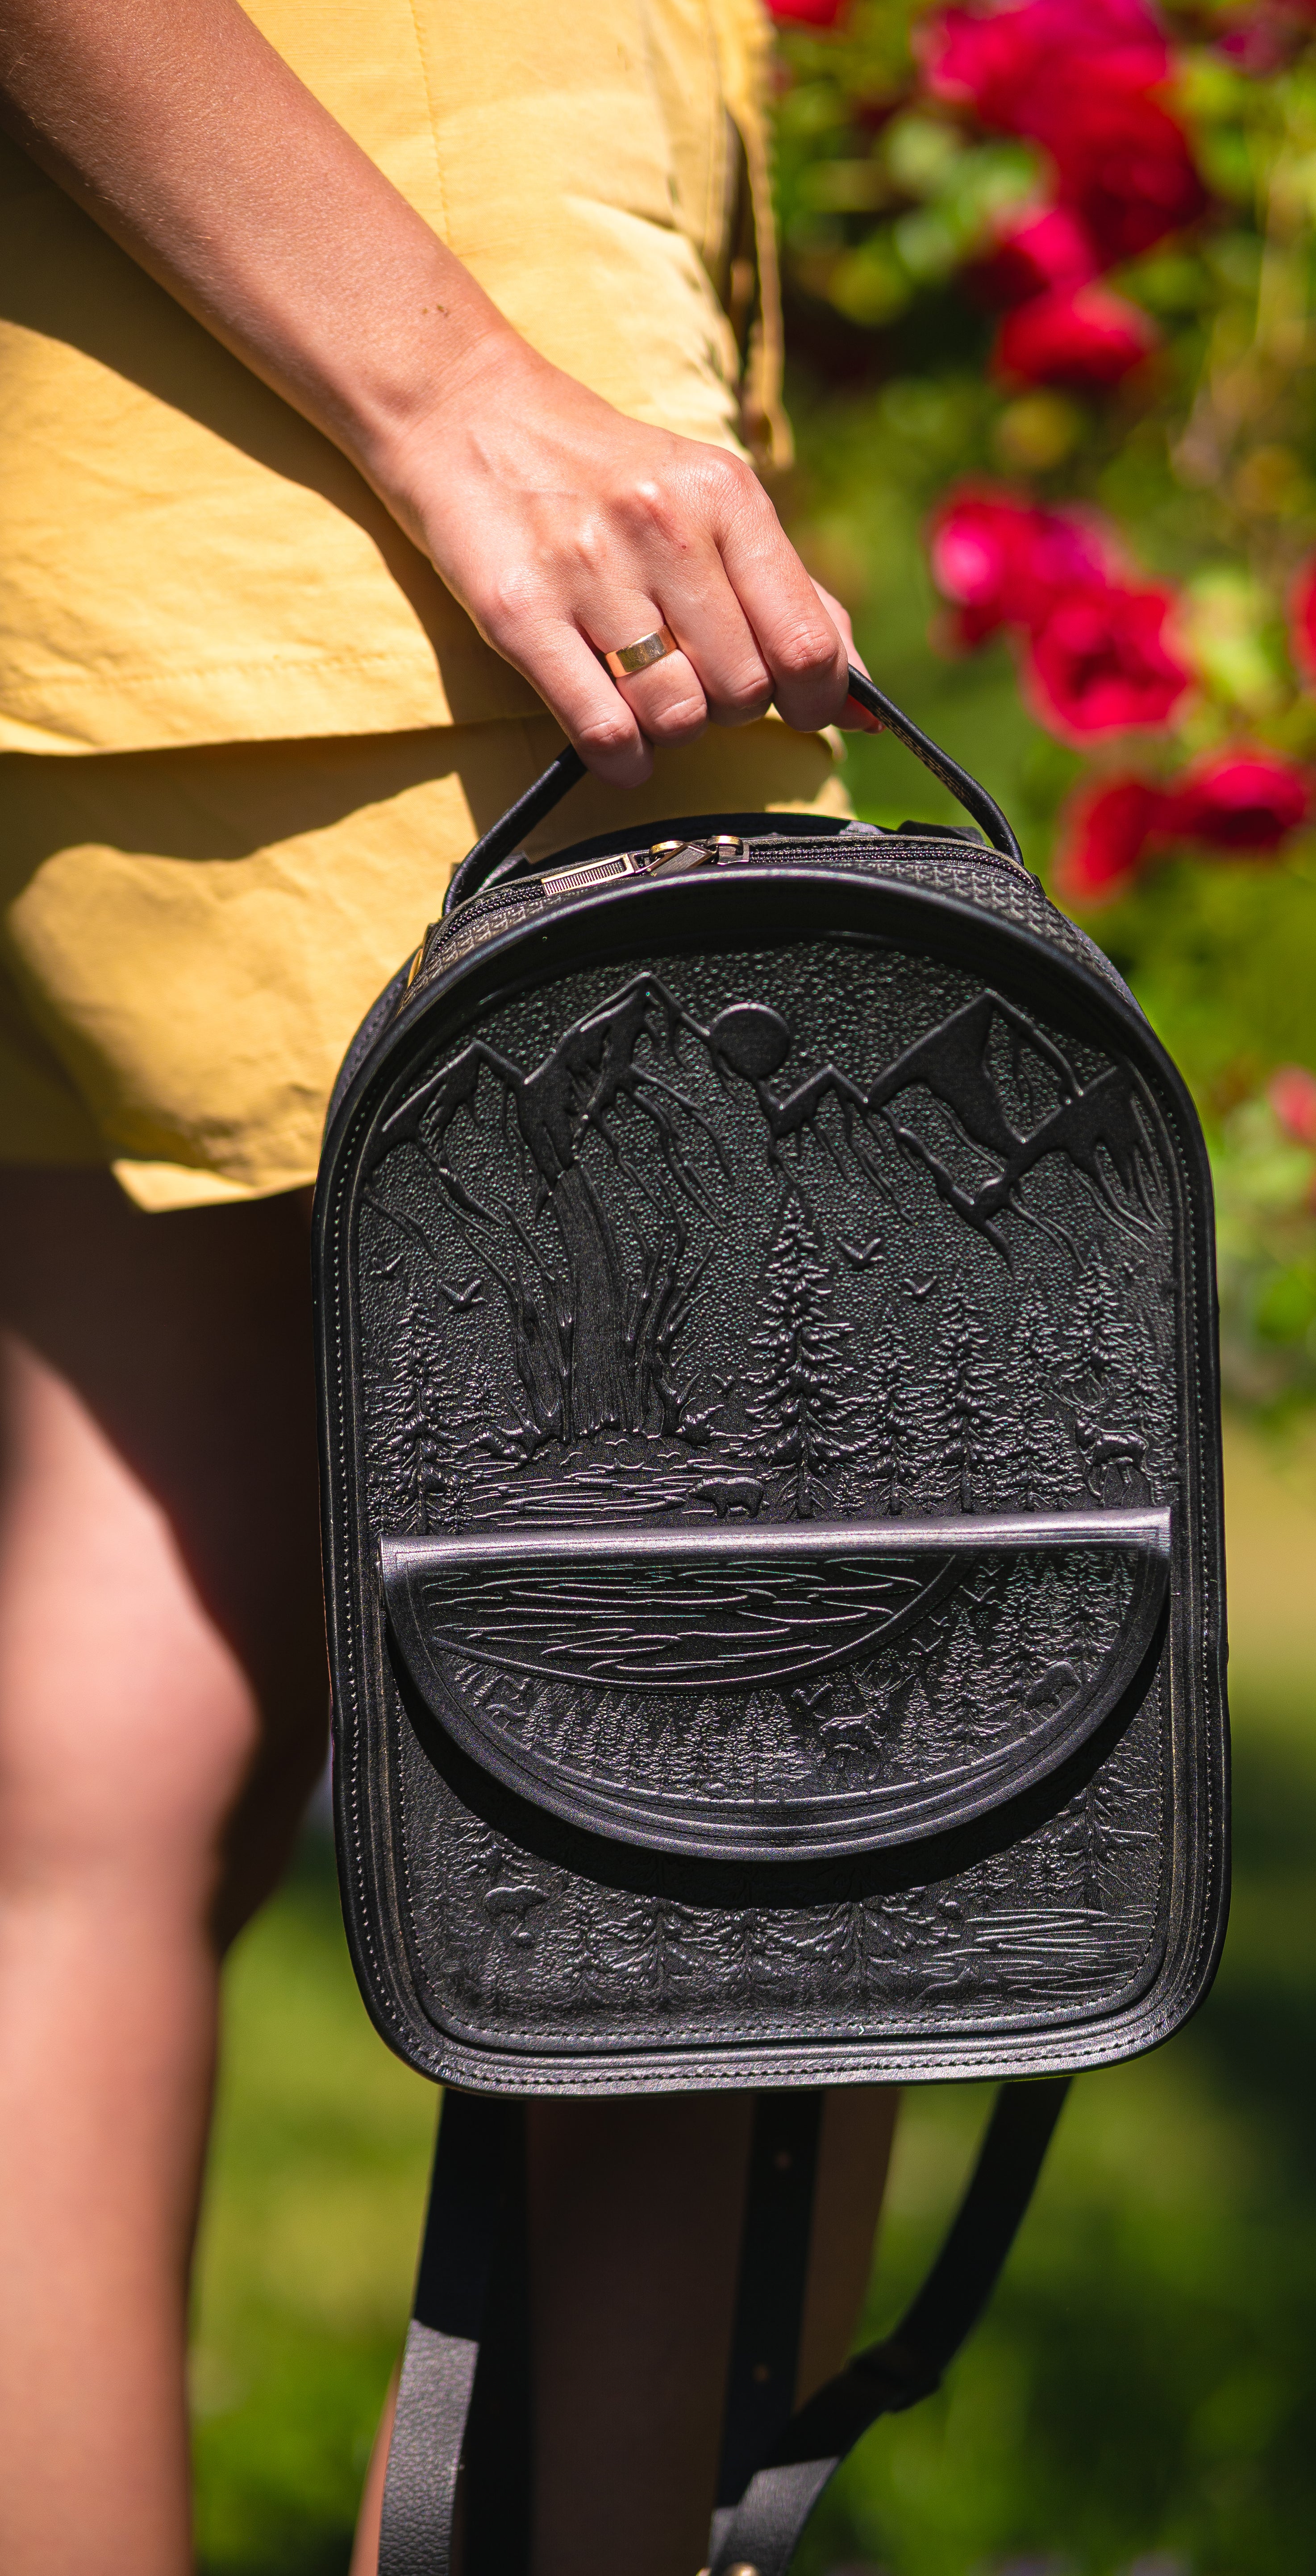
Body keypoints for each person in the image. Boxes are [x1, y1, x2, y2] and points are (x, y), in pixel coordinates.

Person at [0, 3, 897, 2569]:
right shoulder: (453, 440)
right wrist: (455, 393)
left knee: (112, 1748)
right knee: (767, 1759)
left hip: (123, 556)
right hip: (441, 575)